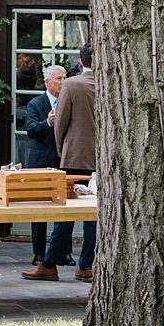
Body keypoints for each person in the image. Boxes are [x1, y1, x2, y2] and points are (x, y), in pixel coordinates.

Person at [30, 42, 95, 281]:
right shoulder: (110, 82)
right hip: (100, 158)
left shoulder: (71, 84)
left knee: (65, 213)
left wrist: (61, 150)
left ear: (81, 61)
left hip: (73, 155)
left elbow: (61, 122)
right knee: (95, 215)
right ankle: (85, 265)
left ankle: (49, 264)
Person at [24, 65, 66, 265]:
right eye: (59, 78)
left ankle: (61, 252)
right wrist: (47, 123)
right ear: (48, 82)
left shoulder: (68, 101)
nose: (62, 82)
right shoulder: (35, 104)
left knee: (64, 209)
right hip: (40, 160)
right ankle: (39, 253)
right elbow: (31, 130)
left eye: (64, 78)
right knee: (39, 208)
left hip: (62, 159)